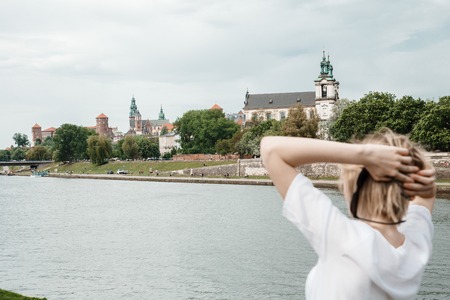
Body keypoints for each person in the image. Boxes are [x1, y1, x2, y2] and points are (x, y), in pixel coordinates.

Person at [260, 129, 436, 300]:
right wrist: (420, 179)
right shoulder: (415, 246)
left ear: (352, 183)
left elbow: (270, 149)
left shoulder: (345, 239)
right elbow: (425, 197)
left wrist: (364, 154)